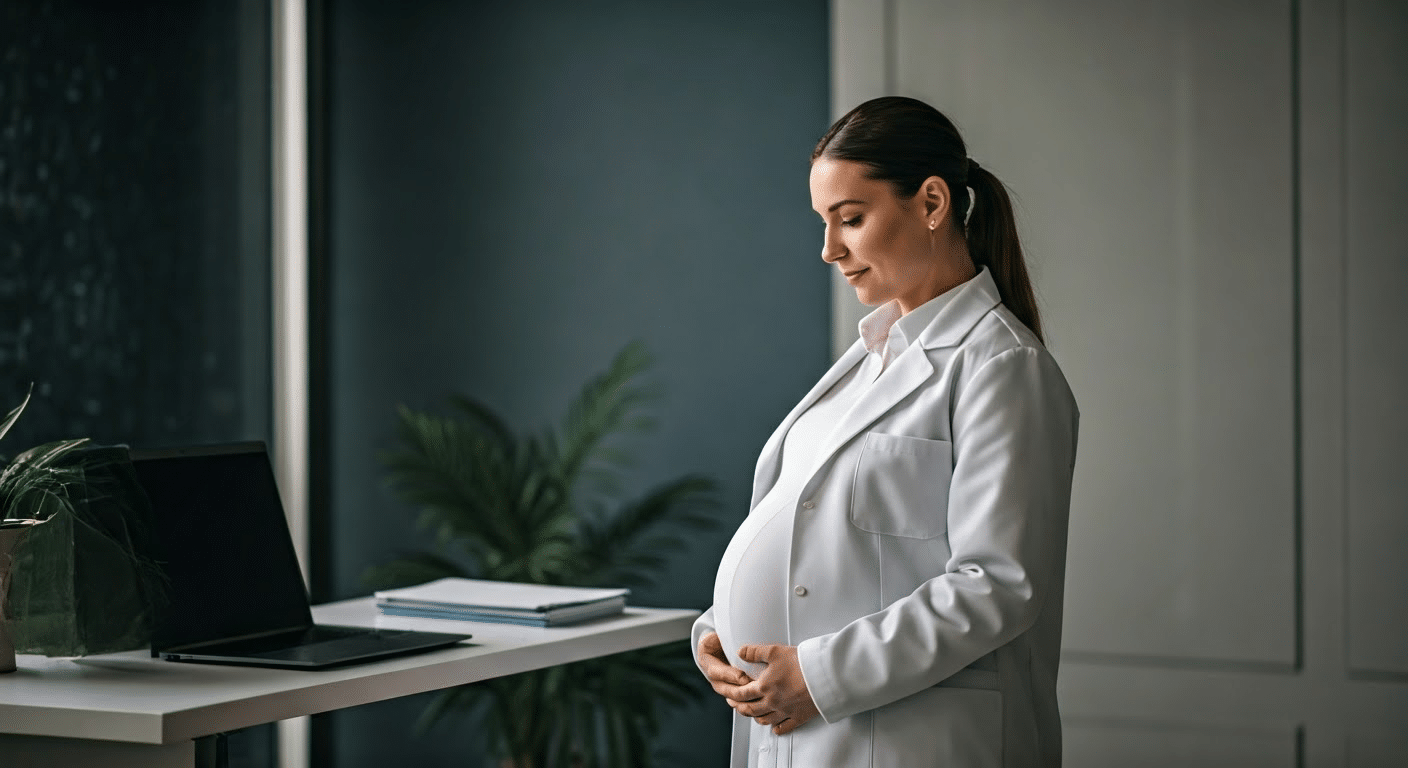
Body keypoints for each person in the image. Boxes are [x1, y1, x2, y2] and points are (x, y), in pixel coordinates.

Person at [691, 95, 1080, 767]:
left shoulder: (1004, 367)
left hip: (912, 738)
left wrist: (818, 676)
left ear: (931, 203)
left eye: (850, 219)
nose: (828, 249)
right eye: (823, 222)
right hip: (792, 732)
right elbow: (803, 530)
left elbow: (998, 584)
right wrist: (721, 630)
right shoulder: (870, 359)